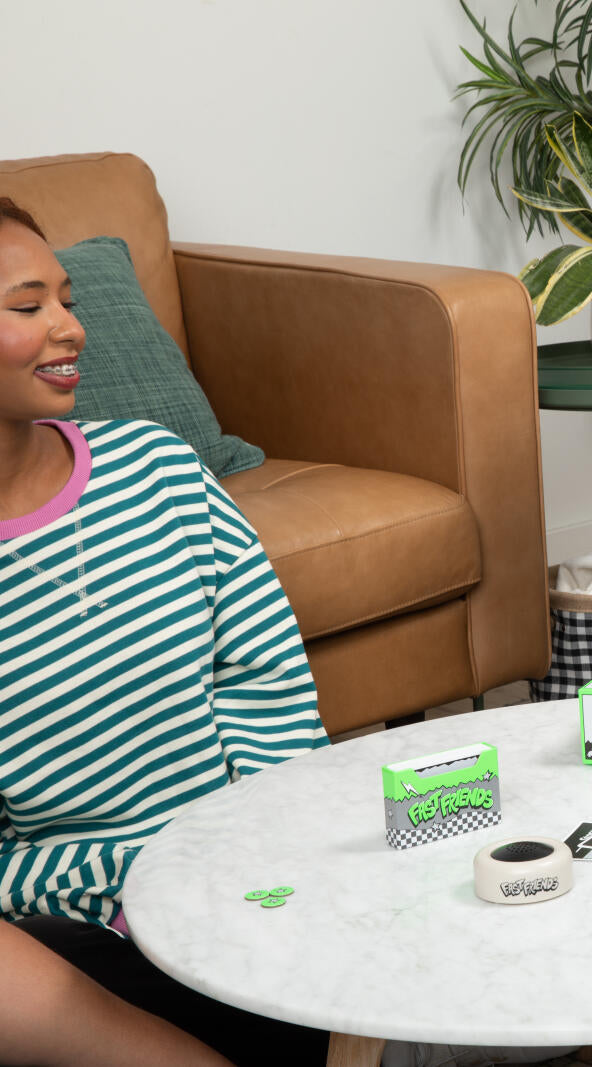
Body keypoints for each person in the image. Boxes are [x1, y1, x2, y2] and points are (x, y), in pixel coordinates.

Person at [0, 198, 330, 1065]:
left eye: (66, 299)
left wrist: (258, 851)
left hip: (251, 867)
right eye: (29, 306)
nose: (70, 327)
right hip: (86, 922)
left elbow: (265, 683)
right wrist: (126, 885)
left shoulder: (155, 467)